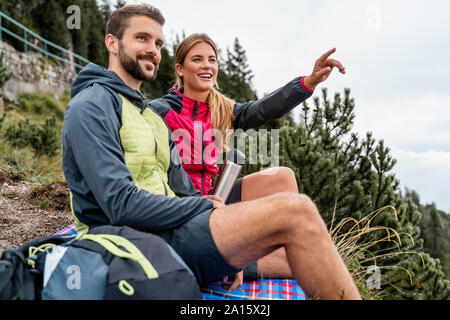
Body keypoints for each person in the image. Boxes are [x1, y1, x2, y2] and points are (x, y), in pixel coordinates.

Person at [62, 4, 361, 299]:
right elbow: (122, 202)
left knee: (285, 190)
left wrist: (306, 84)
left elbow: (261, 110)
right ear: (112, 42)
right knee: (297, 215)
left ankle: (236, 256)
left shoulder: (159, 115)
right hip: (139, 235)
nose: (152, 49)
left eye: (157, 43)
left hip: (190, 209)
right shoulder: (127, 108)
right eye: (142, 38)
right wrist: (209, 211)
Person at [150, 33, 345, 288]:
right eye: (197, 59)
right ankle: (229, 260)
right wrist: (196, 203)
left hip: (215, 198)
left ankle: (278, 239)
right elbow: (158, 174)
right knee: (296, 259)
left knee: (283, 176)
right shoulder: (159, 112)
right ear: (180, 69)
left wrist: (307, 83)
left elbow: (264, 108)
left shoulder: (220, 108)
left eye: (212, 59)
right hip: (184, 208)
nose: (207, 65)